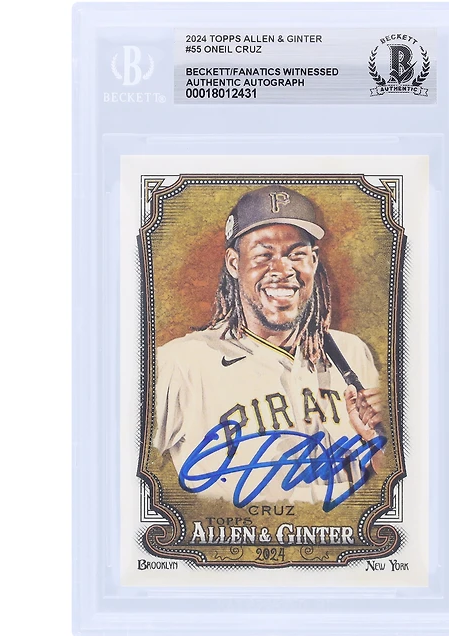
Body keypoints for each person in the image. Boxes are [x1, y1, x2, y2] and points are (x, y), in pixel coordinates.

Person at [153, 185, 387, 508]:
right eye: (264, 255)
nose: (283, 270)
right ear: (234, 263)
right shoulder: (181, 363)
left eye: (296, 254)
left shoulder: (353, 354)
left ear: (314, 260)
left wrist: (380, 445)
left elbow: (389, 483)